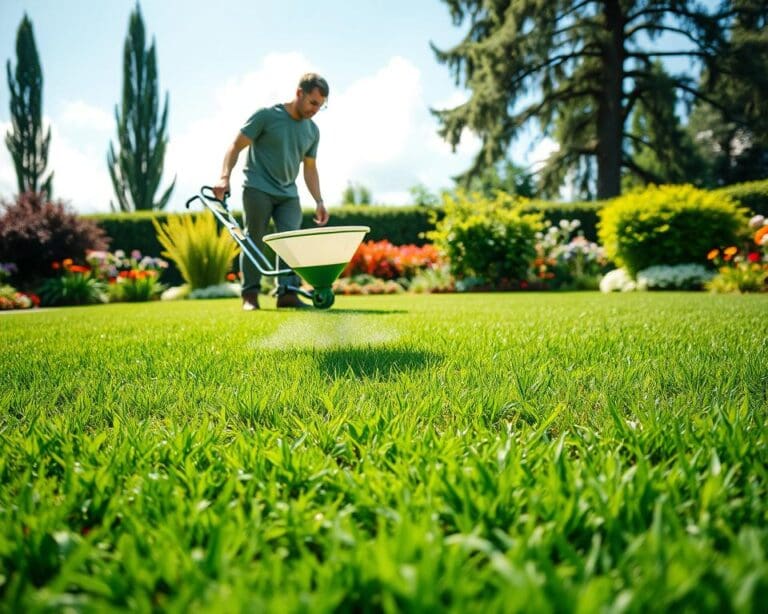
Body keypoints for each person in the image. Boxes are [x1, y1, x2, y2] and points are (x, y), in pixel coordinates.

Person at [213, 73, 330, 310]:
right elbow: (235, 146)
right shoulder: (267, 116)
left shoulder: (312, 131)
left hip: (288, 194)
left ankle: (287, 294)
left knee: (291, 241)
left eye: (321, 106)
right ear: (299, 93)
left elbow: (309, 168)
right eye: (313, 102)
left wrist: (319, 200)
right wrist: (224, 177)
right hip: (258, 187)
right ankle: (250, 296)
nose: (315, 110)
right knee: (253, 238)